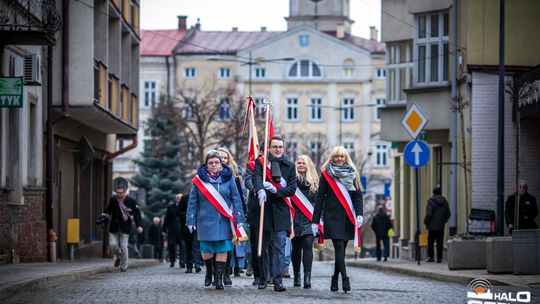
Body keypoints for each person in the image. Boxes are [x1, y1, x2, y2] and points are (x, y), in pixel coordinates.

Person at [187, 150, 246, 290]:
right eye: (211, 163)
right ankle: (209, 271)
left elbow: (236, 199)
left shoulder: (229, 178)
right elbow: (192, 202)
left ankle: (219, 278)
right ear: (206, 165)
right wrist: (190, 220)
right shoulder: (198, 181)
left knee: (222, 248)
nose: (214, 165)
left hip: (223, 220)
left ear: (221, 164)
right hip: (205, 220)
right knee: (207, 249)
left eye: (216, 162)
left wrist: (239, 218)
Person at [312, 146, 363, 293]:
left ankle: (334, 278)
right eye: (336, 157)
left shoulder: (353, 173)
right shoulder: (326, 175)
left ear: (346, 158)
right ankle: (345, 280)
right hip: (332, 217)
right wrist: (315, 221)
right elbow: (320, 199)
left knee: (342, 249)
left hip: (348, 216)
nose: (339, 159)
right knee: (339, 247)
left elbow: (358, 197)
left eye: (342, 156)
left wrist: (359, 214)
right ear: (332, 158)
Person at [253, 136, 297, 292]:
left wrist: (275, 190)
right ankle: (264, 278)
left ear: (283, 148)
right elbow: (256, 177)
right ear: (269, 148)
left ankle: (277, 280)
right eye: (275, 146)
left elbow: (292, 189)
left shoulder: (290, 166)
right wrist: (259, 190)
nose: (278, 149)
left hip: (280, 211)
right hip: (264, 210)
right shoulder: (262, 163)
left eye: (280, 147)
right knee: (263, 248)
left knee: (279, 248)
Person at [217, 147, 247, 284]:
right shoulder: (207, 175)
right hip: (214, 214)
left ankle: (226, 274)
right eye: (220, 158)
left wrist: (242, 214)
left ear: (228, 159)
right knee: (215, 245)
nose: (223, 160)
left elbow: (240, 196)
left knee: (228, 244)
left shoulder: (235, 177)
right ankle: (214, 272)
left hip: (229, 214)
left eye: (225, 158)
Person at [291, 154, 319, 288]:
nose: (301, 165)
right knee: (295, 249)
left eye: (303, 163)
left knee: (308, 247)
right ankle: (297, 276)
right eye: (298, 162)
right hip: (294, 220)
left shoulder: (315, 183)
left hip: (310, 220)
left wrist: (319, 221)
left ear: (308, 165)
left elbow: (319, 203)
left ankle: (307, 277)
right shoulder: (291, 181)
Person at [104, 182, 143, 272]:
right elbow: (108, 211)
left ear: (125, 192)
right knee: (112, 245)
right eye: (117, 192)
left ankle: (124, 266)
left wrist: (139, 226)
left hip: (125, 227)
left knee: (123, 246)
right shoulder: (113, 200)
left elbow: (137, 214)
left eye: (121, 193)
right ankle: (119, 256)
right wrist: (104, 218)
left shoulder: (131, 201)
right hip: (114, 226)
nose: (119, 194)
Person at [423, 187, 451, 263]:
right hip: (440, 226)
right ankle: (439, 258)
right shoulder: (445, 202)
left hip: (431, 226)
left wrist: (426, 222)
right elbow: (448, 214)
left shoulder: (431, 201)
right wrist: (443, 221)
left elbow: (429, 213)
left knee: (430, 242)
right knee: (440, 242)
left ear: (433, 193)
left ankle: (431, 257)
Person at [163, 194, 184, 268]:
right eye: (177, 198)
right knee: (171, 245)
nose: (178, 199)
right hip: (172, 230)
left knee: (183, 246)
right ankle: (172, 260)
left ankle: (182, 261)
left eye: (180, 198)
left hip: (182, 229)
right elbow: (167, 218)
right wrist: (164, 229)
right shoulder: (170, 207)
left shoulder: (185, 207)